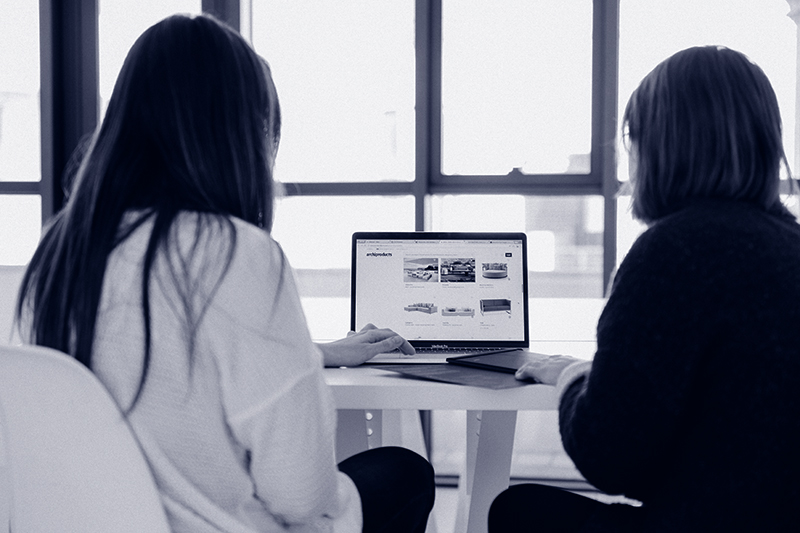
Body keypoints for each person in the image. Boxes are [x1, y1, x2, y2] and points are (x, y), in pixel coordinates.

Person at [15, 14, 434, 533]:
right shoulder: (237, 254)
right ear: (243, 135)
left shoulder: (58, 252)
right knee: (403, 473)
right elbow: (301, 495)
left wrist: (316, 351)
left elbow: (162, 368)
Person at [489, 45, 800, 532]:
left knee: (514, 511)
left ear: (659, 146)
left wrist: (572, 376)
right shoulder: (790, 243)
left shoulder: (673, 251)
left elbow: (609, 459)